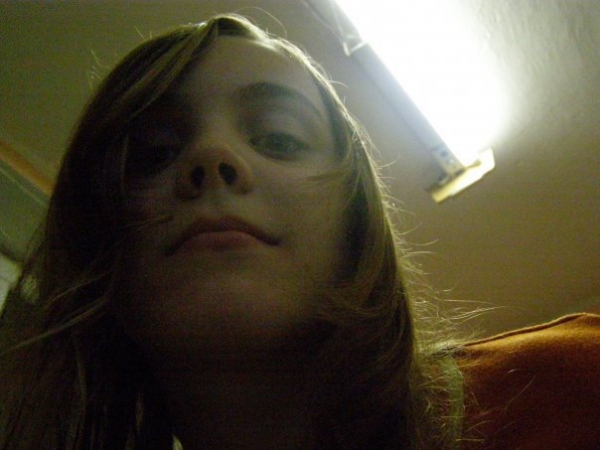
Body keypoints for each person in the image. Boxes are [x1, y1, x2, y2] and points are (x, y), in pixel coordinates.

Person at [0, 14, 598, 450]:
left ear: (356, 220)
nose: (211, 155)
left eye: (279, 137)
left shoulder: (575, 384)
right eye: (154, 152)